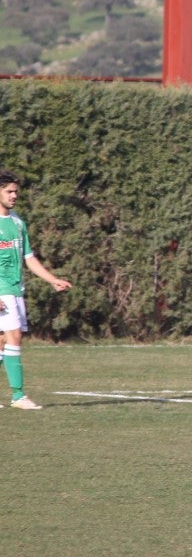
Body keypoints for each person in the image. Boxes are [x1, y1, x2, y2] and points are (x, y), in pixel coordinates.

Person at [0, 169, 72, 410]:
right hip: (2, 290)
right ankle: (18, 396)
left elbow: (28, 258)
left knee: (2, 342)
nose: (14, 196)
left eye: (16, 191)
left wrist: (52, 280)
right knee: (14, 336)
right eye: (9, 191)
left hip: (15, 289)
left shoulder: (18, 222)